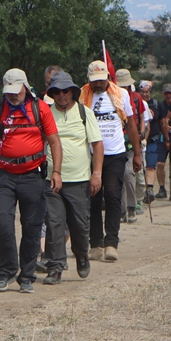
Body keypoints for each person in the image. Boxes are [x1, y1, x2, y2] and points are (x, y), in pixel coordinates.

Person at [0, 68, 61, 292]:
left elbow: (54, 142)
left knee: (32, 227)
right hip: (4, 175)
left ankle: (26, 276)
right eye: (9, 91)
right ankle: (6, 272)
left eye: (17, 91)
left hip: (33, 175)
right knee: (2, 224)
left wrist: (56, 172)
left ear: (26, 87)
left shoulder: (40, 108)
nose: (13, 95)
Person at [41, 71, 101, 284]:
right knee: (54, 223)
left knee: (79, 225)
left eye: (66, 91)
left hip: (79, 180)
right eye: (56, 91)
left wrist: (97, 173)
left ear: (73, 92)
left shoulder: (85, 113)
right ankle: (55, 267)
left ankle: (81, 255)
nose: (61, 95)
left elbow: (97, 144)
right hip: (52, 180)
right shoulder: (46, 113)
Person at [80, 60, 141, 262]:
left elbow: (131, 125)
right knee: (94, 198)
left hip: (115, 153)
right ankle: (95, 243)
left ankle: (111, 243)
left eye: (101, 80)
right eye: (94, 81)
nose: (98, 85)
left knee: (113, 196)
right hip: (89, 154)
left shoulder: (121, 95)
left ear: (108, 77)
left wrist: (138, 153)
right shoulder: (82, 96)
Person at [114, 69, 147, 222]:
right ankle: (121, 210)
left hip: (131, 142)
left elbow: (141, 117)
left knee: (128, 173)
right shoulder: (112, 98)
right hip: (116, 142)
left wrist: (141, 134)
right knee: (118, 175)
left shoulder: (136, 98)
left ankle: (132, 206)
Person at [147, 83, 171, 199]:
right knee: (160, 164)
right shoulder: (160, 105)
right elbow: (160, 121)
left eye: (170, 93)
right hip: (162, 138)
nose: (168, 95)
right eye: (166, 93)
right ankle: (162, 188)